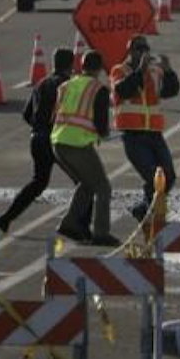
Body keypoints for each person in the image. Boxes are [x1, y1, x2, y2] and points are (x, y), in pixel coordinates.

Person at [0, 47, 79, 233]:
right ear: (71, 64)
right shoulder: (68, 85)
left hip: (37, 139)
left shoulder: (42, 83)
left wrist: (39, 127)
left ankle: (6, 218)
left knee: (38, 182)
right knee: (83, 182)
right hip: (57, 140)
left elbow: (26, 114)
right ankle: (78, 224)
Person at [50, 50, 118, 246]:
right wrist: (105, 134)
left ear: (82, 65)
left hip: (57, 142)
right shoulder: (99, 89)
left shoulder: (65, 85)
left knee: (87, 183)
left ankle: (70, 223)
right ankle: (101, 233)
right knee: (103, 187)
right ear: (99, 69)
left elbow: (55, 115)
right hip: (77, 144)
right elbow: (101, 123)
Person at [110, 35, 179, 223]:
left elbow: (171, 91)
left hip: (155, 134)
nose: (142, 52)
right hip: (133, 135)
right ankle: (154, 215)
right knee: (153, 176)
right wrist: (140, 70)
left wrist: (169, 70)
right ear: (130, 51)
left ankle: (143, 208)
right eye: (138, 49)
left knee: (169, 176)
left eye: (145, 49)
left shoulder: (155, 72)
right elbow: (124, 91)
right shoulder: (119, 70)